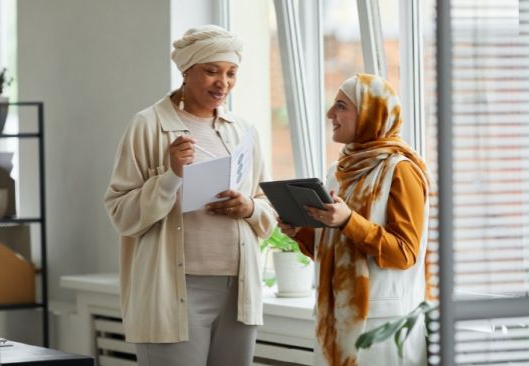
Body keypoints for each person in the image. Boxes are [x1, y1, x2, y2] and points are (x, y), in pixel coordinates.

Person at [104, 25, 276, 366]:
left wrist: (249, 208)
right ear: (186, 71)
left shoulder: (243, 130)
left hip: (238, 291)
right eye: (211, 71)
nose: (222, 83)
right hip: (172, 290)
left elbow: (267, 208)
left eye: (231, 73)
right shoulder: (147, 125)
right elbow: (121, 213)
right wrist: (171, 176)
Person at [278, 73, 430, 366]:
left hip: (382, 327)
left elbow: (405, 253)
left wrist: (349, 221)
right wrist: (300, 232)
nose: (329, 114)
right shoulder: (339, 170)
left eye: (341, 106)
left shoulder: (401, 170)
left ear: (370, 114)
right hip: (334, 318)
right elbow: (331, 247)